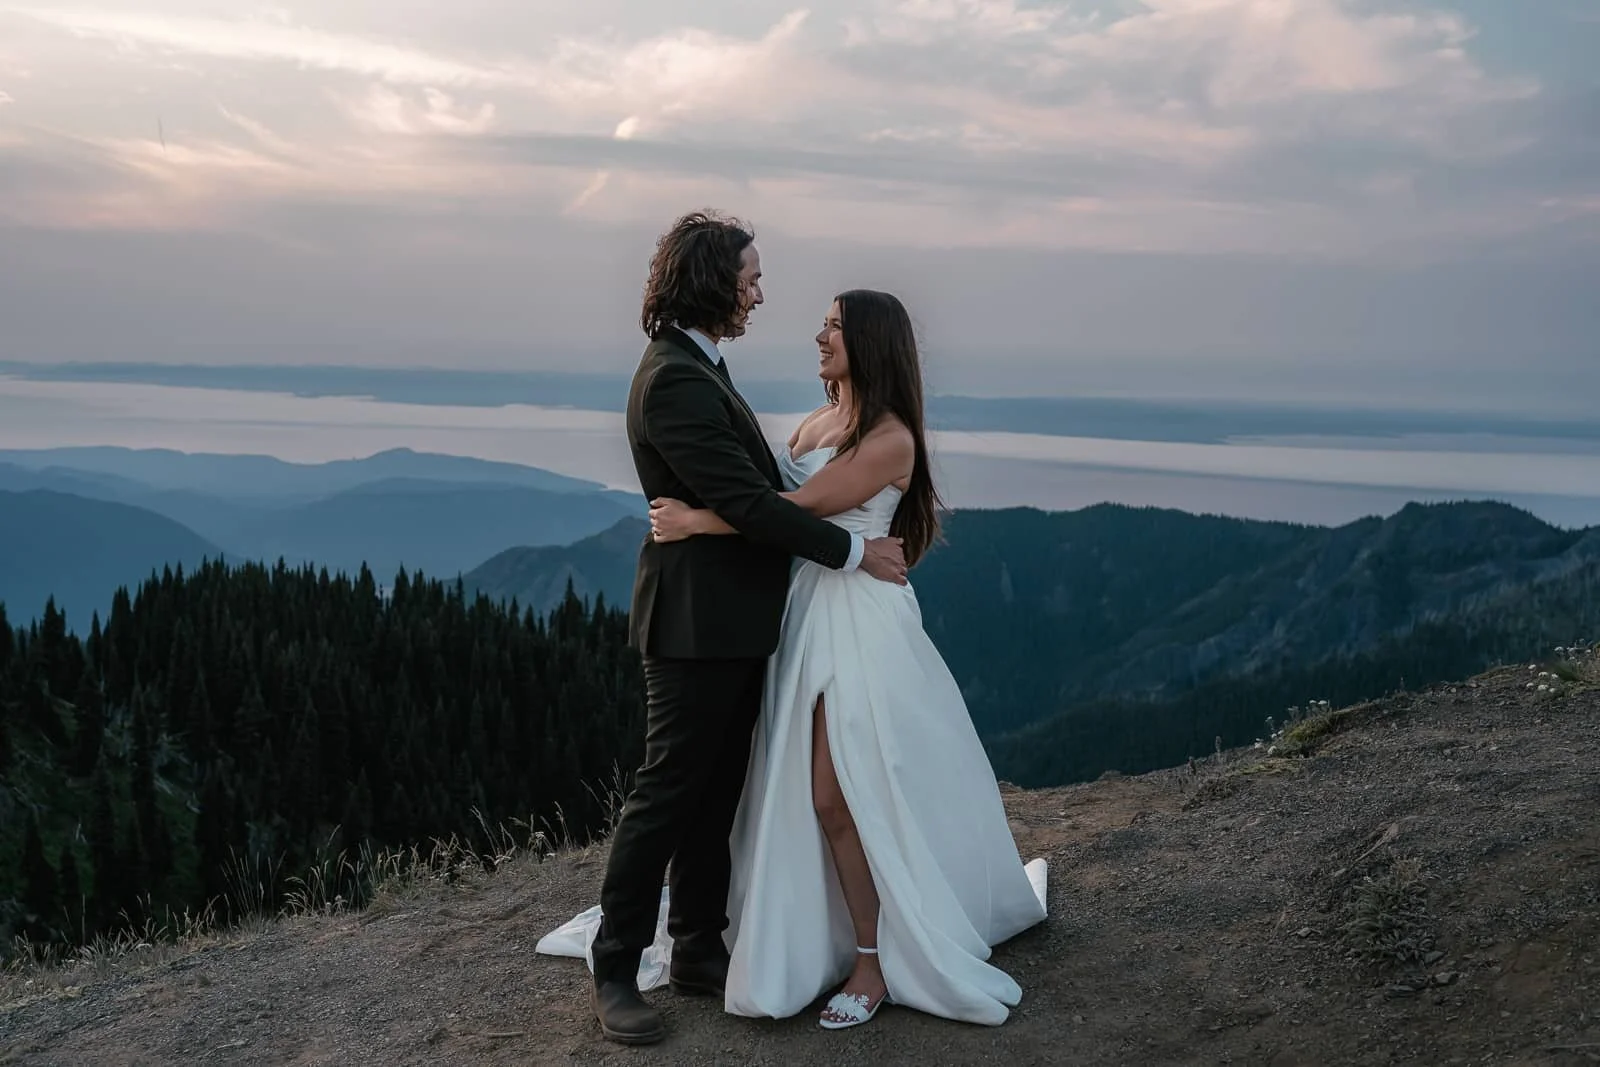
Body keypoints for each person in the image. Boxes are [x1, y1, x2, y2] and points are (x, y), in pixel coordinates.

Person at [646, 288, 1048, 1029]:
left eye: (833, 325)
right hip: (803, 613)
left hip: (858, 625)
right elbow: (769, 504)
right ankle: (822, 933)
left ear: (869, 340)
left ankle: (873, 959)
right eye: (825, 323)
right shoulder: (817, 421)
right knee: (795, 792)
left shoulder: (892, 437)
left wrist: (696, 522)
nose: (819, 334)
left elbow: (796, 511)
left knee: (838, 794)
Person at [579, 211, 910, 1046]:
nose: (760, 292)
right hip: (693, 623)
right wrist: (852, 551)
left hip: (731, 622)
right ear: (711, 278)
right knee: (666, 794)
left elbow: (750, 498)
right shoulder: (678, 380)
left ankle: (696, 946)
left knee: (714, 792)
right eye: (750, 276)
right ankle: (615, 967)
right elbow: (750, 504)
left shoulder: (699, 366)